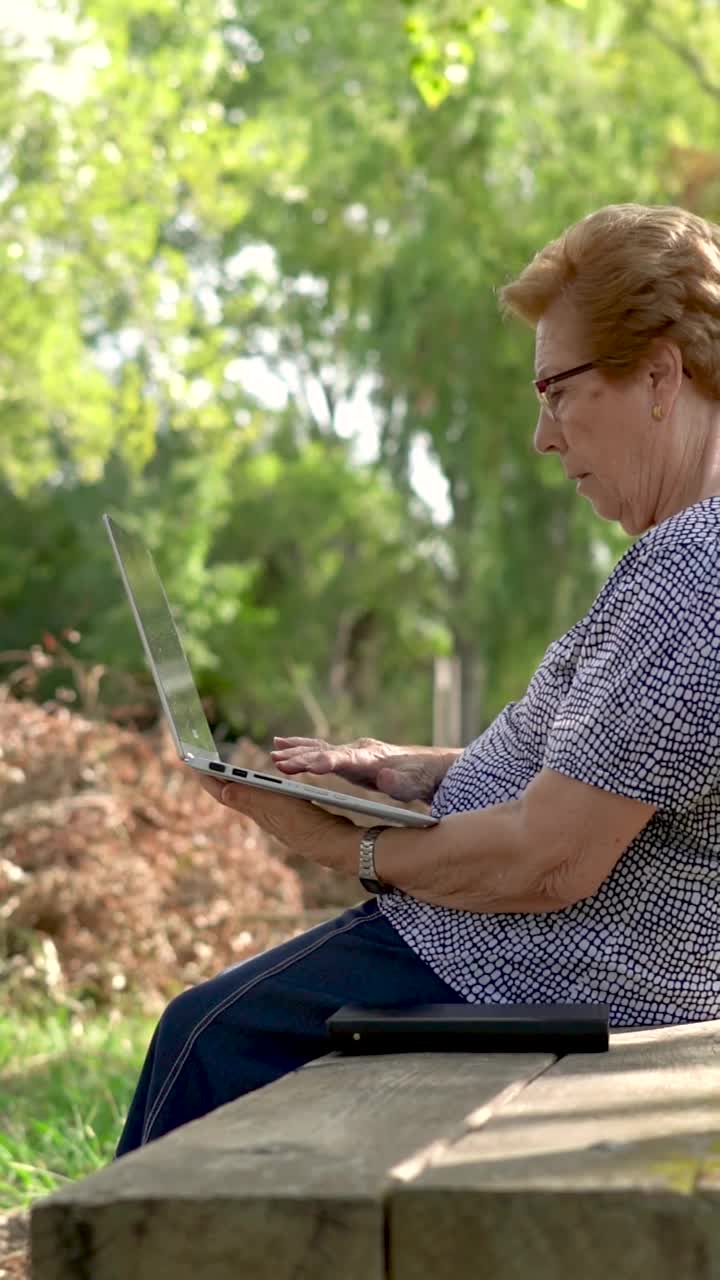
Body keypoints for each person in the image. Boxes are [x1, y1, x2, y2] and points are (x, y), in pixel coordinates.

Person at [116, 203, 720, 1156]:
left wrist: (347, 851)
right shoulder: (686, 559)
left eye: (556, 391)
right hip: (533, 960)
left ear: (656, 373)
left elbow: (549, 861)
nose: (543, 437)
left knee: (201, 1039)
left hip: (531, 970)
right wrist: (421, 772)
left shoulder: (692, 574)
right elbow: (621, 770)